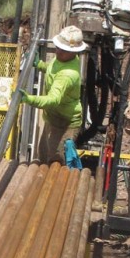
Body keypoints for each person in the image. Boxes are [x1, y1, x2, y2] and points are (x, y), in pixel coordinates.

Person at [21, 25, 88, 165]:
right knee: (43, 155)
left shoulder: (68, 75)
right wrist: (39, 64)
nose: (58, 51)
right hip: (53, 119)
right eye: (58, 47)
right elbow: (53, 69)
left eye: (63, 50)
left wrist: (29, 99)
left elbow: (53, 100)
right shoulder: (66, 58)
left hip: (64, 124)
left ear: (72, 51)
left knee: (56, 164)